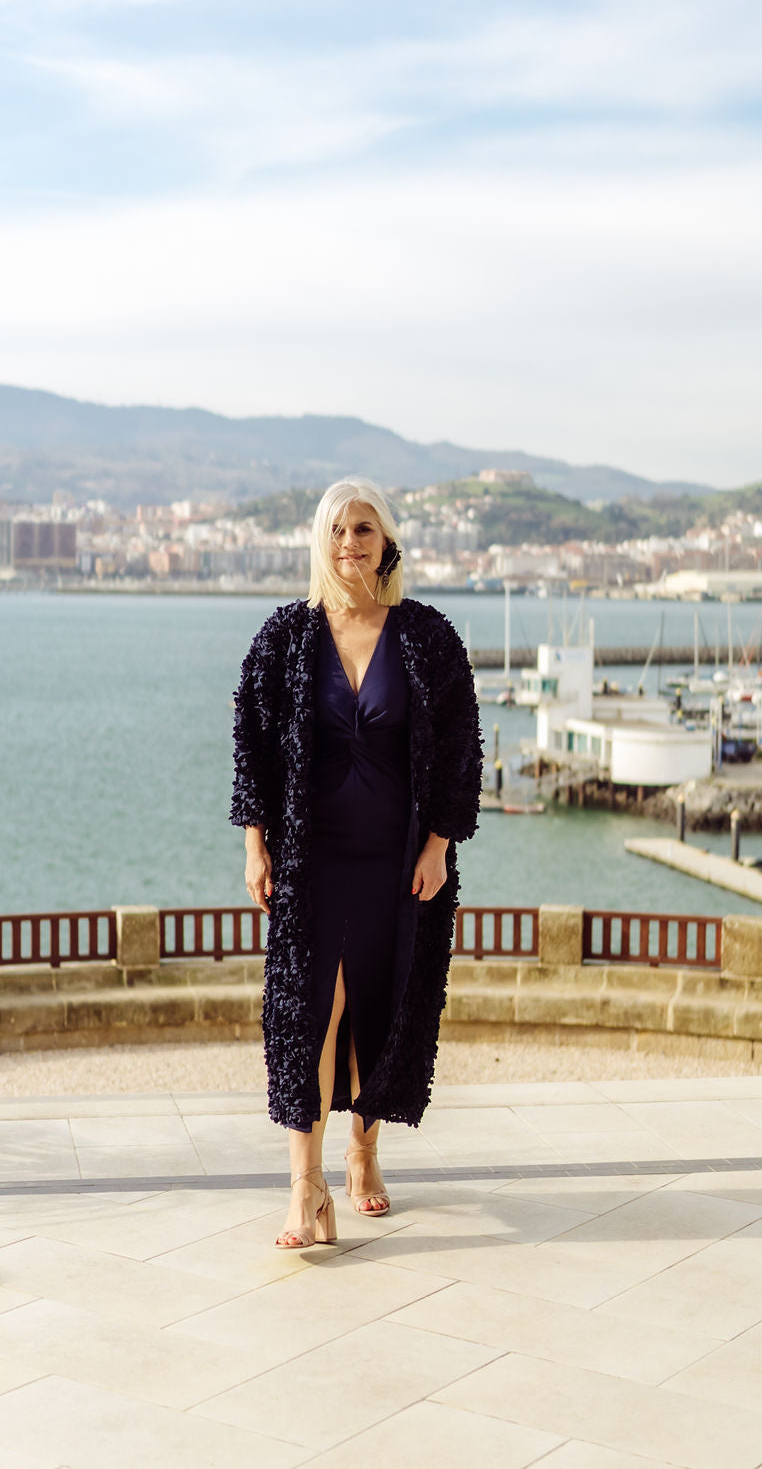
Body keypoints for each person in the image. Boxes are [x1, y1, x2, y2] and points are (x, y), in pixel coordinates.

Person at [230, 477, 482, 1247]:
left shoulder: (426, 635)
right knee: (309, 1012)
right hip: (312, 861)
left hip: (398, 862)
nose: (350, 543)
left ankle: (363, 1153)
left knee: (380, 1004)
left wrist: (441, 843)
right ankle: (304, 1190)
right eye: (338, 530)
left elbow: (460, 744)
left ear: (387, 540)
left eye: (364, 529)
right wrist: (255, 843)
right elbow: (253, 743)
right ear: (320, 542)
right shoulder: (286, 637)